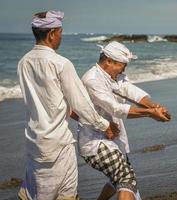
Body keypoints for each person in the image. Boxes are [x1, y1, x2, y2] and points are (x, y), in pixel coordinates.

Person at [17, 11, 119, 200]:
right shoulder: (61, 63)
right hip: (57, 144)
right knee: (60, 194)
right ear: (52, 34)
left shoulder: (23, 62)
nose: (60, 38)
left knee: (40, 192)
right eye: (61, 33)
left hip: (34, 140)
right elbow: (81, 103)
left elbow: (44, 99)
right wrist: (105, 125)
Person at [75, 41, 171, 200]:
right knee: (127, 180)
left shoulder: (115, 76)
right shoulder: (92, 80)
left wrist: (154, 107)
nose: (124, 69)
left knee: (119, 181)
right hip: (95, 143)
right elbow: (115, 109)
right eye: (122, 65)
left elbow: (132, 92)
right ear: (108, 61)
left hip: (113, 139)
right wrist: (150, 113)